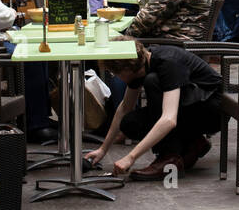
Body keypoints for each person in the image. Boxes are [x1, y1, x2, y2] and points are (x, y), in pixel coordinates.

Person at [85, 40, 222, 181]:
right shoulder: (141, 64)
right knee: (130, 123)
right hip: (191, 105)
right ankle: (193, 142)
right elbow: (125, 107)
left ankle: (169, 158)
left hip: (212, 110)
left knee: (152, 81)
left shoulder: (167, 63)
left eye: (114, 73)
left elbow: (169, 119)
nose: (115, 77)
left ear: (126, 70)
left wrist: (130, 157)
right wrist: (103, 149)